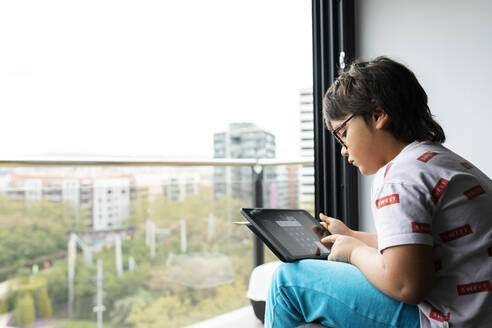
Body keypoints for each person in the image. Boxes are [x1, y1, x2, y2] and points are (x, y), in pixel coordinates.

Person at [264, 57, 492, 328]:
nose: (343, 148)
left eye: (343, 132)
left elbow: (406, 284)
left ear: (377, 115)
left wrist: (354, 252)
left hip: (450, 320)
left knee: (286, 282)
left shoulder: (397, 178)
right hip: (477, 312)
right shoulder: (441, 162)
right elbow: (415, 247)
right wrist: (351, 236)